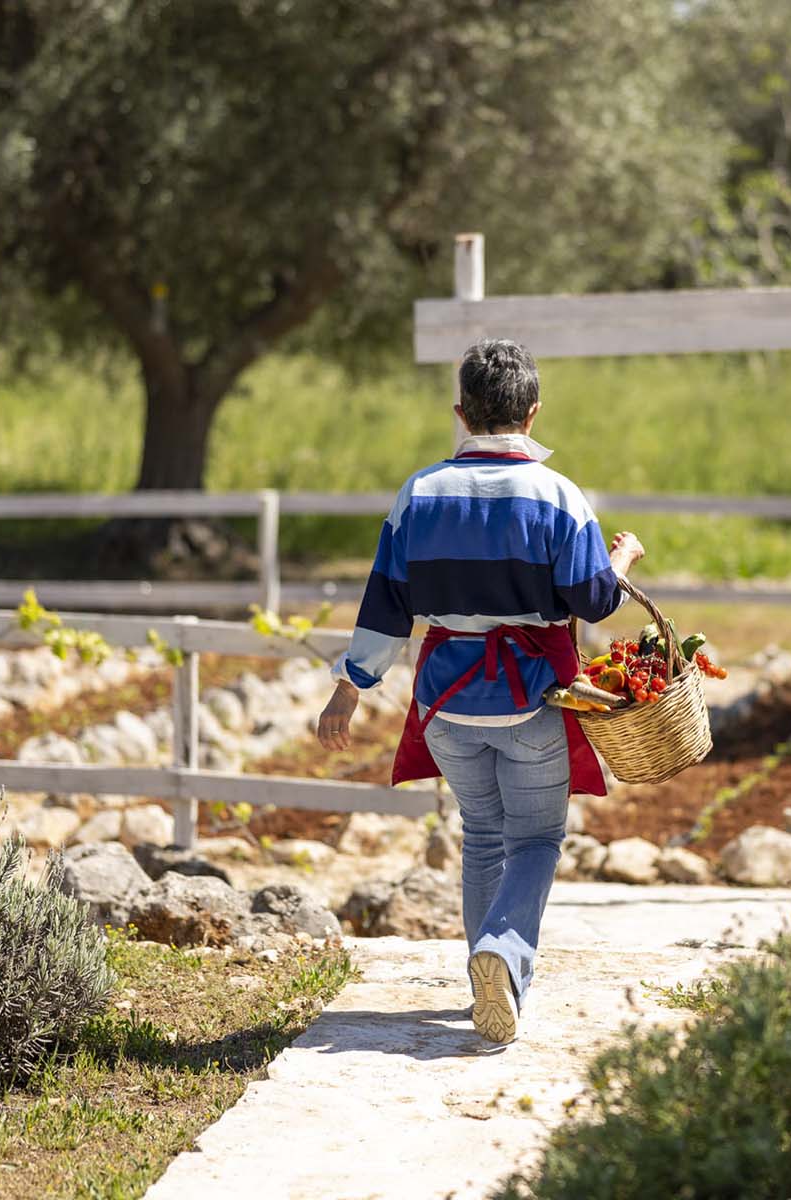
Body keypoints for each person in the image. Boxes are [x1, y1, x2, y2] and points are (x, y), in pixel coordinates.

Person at [316, 338, 642, 1045]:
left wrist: (350, 687)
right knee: (537, 838)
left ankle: (485, 975)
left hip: (444, 703)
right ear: (533, 413)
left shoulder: (421, 492)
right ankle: (503, 953)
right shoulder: (559, 496)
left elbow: (386, 603)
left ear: (461, 413)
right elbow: (593, 599)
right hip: (531, 697)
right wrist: (621, 559)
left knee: (483, 837)